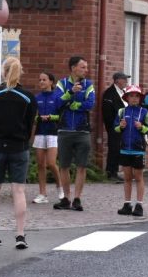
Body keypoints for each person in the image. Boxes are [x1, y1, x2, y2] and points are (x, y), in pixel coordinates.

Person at [0, 57, 37, 250]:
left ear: (3, 72)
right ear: (19, 72)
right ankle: (20, 234)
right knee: (18, 191)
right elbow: (30, 124)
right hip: (19, 146)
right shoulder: (28, 97)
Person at [54, 56, 95, 212]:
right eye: (83, 67)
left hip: (82, 130)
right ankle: (66, 198)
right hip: (64, 130)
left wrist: (76, 105)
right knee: (63, 166)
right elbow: (57, 102)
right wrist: (70, 92)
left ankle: (77, 198)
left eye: (86, 67)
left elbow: (90, 103)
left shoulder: (88, 84)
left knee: (81, 166)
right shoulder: (62, 84)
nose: (86, 70)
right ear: (73, 68)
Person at [114, 84, 148, 217]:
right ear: (127, 98)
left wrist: (142, 127)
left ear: (140, 98)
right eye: (131, 96)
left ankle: (139, 205)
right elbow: (115, 128)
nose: (134, 98)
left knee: (138, 177)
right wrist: (121, 126)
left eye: (137, 96)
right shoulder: (121, 112)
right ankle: (127, 204)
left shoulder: (144, 112)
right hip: (125, 149)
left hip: (138, 149)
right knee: (127, 177)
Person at [32, 71, 62, 205]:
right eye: (40, 80)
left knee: (51, 163)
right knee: (40, 164)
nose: (41, 82)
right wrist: (38, 118)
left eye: (44, 80)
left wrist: (50, 117)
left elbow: (61, 116)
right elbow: (32, 117)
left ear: (51, 82)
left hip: (52, 132)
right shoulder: (36, 98)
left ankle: (60, 187)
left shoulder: (57, 97)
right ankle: (42, 193)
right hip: (39, 132)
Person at [101, 70, 130, 181]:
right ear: (118, 80)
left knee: (118, 149)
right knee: (114, 149)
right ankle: (111, 172)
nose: (126, 81)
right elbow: (107, 113)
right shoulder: (110, 93)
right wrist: (113, 126)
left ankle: (115, 171)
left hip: (123, 126)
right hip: (114, 126)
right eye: (124, 79)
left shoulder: (123, 92)